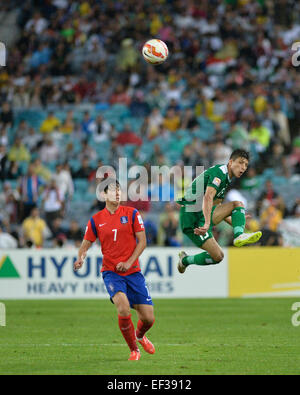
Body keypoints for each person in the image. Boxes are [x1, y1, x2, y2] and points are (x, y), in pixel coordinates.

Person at [74, 178, 155, 361]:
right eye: (113, 190)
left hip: (133, 271)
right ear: (103, 195)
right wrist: (81, 258)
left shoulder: (132, 213)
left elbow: (142, 242)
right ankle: (134, 350)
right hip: (111, 272)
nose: (117, 193)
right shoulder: (96, 220)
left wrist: (128, 263)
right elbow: (85, 245)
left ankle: (140, 336)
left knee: (149, 319)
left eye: (119, 190)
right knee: (123, 307)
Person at [177, 149, 262, 273]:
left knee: (218, 257)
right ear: (231, 162)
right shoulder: (220, 172)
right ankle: (239, 235)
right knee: (237, 204)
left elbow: (216, 206)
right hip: (191, 216)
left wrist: (235, 221)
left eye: (246, 165)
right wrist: (206, 223)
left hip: (202, 215)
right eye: (241, 162)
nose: (243, 167)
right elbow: (208, 197)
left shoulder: (226, 179)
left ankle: (185, 260)